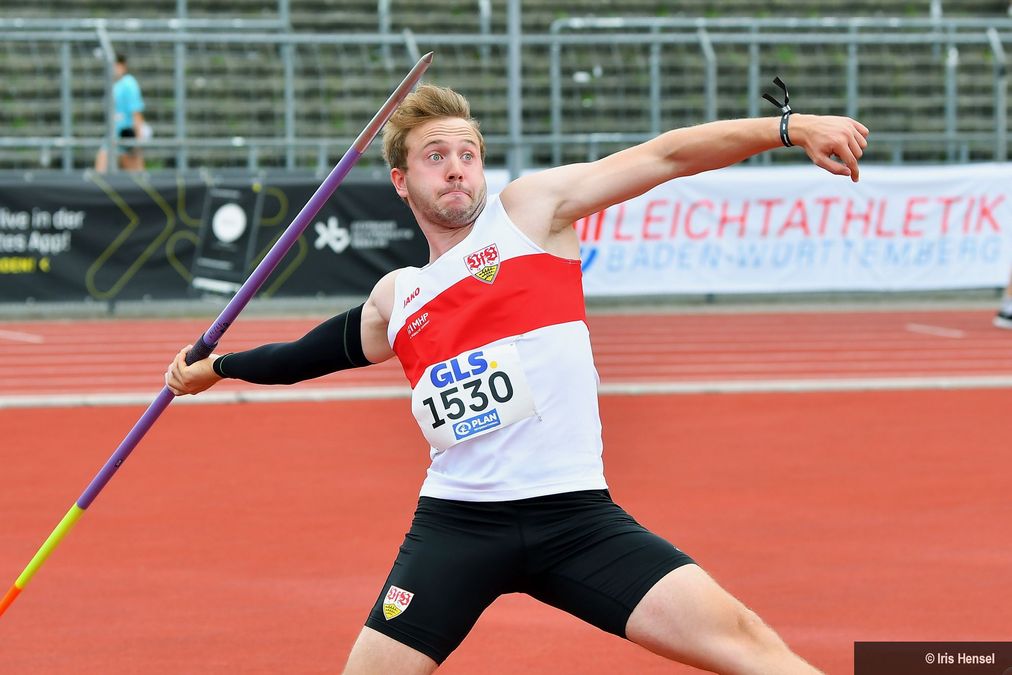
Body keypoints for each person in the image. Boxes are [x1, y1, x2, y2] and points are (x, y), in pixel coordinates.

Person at [167, 83, 868, 674]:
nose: (456, 170)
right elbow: (305, 354)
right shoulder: (398, 295)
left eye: (467, 155)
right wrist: (215, 367)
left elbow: (667, 156)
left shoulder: (530, 213)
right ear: (402, 180)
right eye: (435, 157)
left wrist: (788, 128)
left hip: (576, 519)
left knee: (749, 645)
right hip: (456, 525)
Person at [94, 53, 147, 173]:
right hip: (114, 134)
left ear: (122, 66)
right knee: (102, 166)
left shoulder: (129, 83)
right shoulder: (115, 85)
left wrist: (138, 140)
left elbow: (136, 113)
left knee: (135, 172)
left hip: (126, 134)